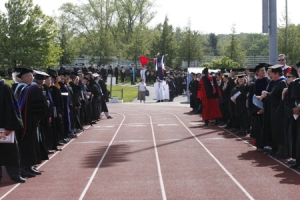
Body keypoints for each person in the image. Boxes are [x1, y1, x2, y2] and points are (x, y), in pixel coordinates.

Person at [17, 69, 49, 177]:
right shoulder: (34, 90)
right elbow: (40, 108)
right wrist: (39, 118)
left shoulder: (28, 88)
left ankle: (30, 166)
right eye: (30, 76)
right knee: (28, 144)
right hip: (30, 122)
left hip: (28, 120)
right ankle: (24, 168)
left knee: (31, 144)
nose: (31, 77)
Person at [0, 79, 25, 183]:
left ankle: (15, 175)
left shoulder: (4, 88)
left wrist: (10, 126)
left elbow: (11, 107)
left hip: (4, 128)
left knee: (11, 152)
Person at [260, 64, 287, 158]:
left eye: (271, 74)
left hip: (279, 112)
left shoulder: (282, 82)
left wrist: (267, 94)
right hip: (273, 110)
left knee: (279, 131)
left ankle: (283, 152)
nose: (270, 76)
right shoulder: (276, 83)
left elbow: (278, 99)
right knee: (274, 130)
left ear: (277, 74)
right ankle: (277, 149)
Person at [247, 63, 270, 151]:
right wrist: (257, 110)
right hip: (257, 111)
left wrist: (265, 109)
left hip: (267, 110)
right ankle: (260, 145)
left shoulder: (268, 82)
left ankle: (267, 145)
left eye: (264, 70)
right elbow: (251, 99)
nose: (264, 72)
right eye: (262, 70)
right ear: (257, 72)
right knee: (258, 128)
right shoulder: (254, 84)